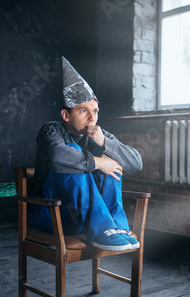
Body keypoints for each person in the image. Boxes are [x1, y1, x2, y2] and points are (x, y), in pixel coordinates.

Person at [30, 56, 143, 251]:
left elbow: (136, 163)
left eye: (95, 111)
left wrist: (104, 142)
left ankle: (117, 227)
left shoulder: (97, 133)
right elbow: (58, 157)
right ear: (66, 115)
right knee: (73, 152)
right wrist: (99, 163)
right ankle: (101, 230)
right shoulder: (51, 131)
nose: (92, 118)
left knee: (113, 155)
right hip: (52, 213)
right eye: (84, 111)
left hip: (85, 217)